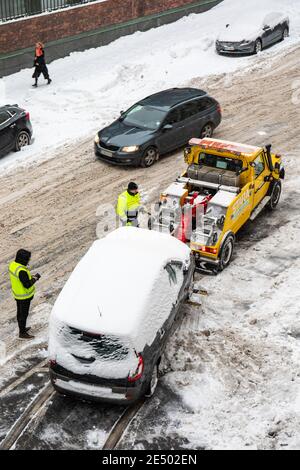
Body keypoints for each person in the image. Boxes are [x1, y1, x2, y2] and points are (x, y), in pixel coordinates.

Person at [9, 249, 41, 339]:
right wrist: (35, 278)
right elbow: (27, 284)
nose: (28, 260)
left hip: (17, 294)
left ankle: (22, 329)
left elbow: (19, 279)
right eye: (28, 259)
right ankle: (22, 333)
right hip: (24, 297)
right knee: (23, 314)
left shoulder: (13, 265)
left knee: (20, 313)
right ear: (23, 259)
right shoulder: (21, 270)